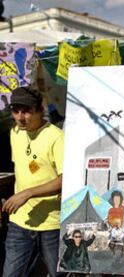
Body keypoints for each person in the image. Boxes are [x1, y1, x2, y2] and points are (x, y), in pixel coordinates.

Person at [2, 87, 64, 277]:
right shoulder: (15, 133)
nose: (21, 117)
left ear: (40, 110)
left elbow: (65, 179)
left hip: (52, 225)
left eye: (27, 111)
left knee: (58, 274)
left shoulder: (56, 137)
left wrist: (28, 193)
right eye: (16, 110)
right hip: (20, 222)